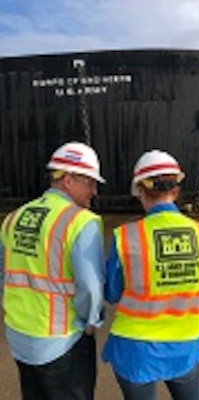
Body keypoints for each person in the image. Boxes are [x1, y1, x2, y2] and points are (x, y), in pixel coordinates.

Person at [103, 149, 199, 400]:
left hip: (134, 348)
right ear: (176, 191)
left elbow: (112, 293)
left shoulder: (125, 237)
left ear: (141, 192)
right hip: (185, 343)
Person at [0, 141, 106, 400]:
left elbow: (4, 273)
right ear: (68, 180)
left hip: (19, 336)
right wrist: (91, 321)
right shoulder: (81, 222)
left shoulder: (13, 218)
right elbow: (90, 288)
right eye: (90, 182)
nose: (93, 191)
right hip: (62, 340)